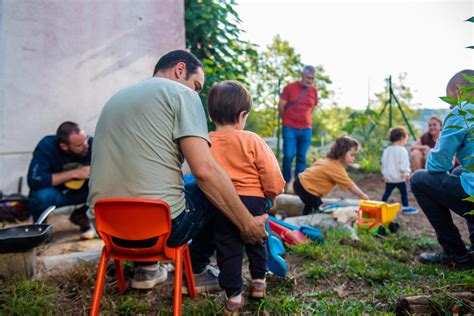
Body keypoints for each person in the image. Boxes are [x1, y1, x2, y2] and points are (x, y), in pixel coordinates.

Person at [87, 50, 268, 291]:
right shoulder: (182, 94)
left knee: (179, 184)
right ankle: (197, 270)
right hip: (161, 231)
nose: (196, 93)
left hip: (107, 228)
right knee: (211, 190)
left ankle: (147, 269)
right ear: (180, 70)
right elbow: (205, 171)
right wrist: (247, 223)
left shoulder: (116, 98)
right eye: (196, 86)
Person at [207, 81, 285, 313]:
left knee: (227, 248)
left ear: (211, 114)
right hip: (253, 200)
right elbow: (271, 174)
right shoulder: (251, 139)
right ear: (242, 115)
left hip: (222, 203)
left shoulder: (205, 141)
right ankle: (259, 282)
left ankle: (233, 296)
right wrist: (271, 197)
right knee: (257, 240)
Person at [410, 69, 474, 269]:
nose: (450, 105)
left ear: (458, 89)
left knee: (419, 180)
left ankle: (456, 253)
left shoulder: (463, 111)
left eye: (450, 98)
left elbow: (439, 164)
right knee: (459, 173)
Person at [27, 121, 95, 239]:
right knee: (40, 196)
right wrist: (75, 173)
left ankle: (83, 216)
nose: (86, 145)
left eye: (86, 138)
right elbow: (34, 180)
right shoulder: (47, 146)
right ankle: (40, 231)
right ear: (64, 146)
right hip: (57, 193)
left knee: (107, 187)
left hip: (83, 192)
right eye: (79, 145)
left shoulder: (91, 144)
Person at [294, 136, 369, 215]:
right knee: (317, 210)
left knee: (312, 206)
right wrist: (362, 195)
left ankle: (305, 220)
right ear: (343, 153)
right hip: (306, 188)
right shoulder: (336, 168)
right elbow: (350, 185)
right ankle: (307, 222)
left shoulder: (328, 160)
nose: (353, 158)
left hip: (300, 183)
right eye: (352, 155)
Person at [278, 65, 318, 191]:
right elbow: (281, 106)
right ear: (302, 75)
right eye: (308, 78)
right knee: (289, 155)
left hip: (306, 128)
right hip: (290, 126)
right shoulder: (290, 87)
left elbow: (313, 107)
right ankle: (287, 181)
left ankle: (298, 184)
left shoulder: (314, 91)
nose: (310, 81)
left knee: (302, 157)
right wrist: (287, 119)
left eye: (312, 79)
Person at [381, 126, 418, 215]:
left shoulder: (387, 150)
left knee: (387, 193)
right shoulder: (402, 150)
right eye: (405, 140)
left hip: (389, 178)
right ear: (401, 138)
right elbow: (404, 164)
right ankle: (405, 207)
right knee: (404, 193)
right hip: (399, 178)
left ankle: (380, 205)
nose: (405, 142)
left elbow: (383, 162)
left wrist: (385, 174)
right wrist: (406, 173)